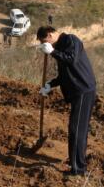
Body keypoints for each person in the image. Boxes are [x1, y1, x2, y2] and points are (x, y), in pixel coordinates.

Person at [37, 26, 97, 177]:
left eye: (45, 41)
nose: (48, 46)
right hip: (78, 91)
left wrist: (52, 52)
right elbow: (65, 75)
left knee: (76, 130)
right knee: (77, 129)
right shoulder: (60, 47)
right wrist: (50, 85)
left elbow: (71, 59)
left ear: (50, 35)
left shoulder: (71, 40)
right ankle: (76, 163)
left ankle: (78, 170)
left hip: (83, 90)